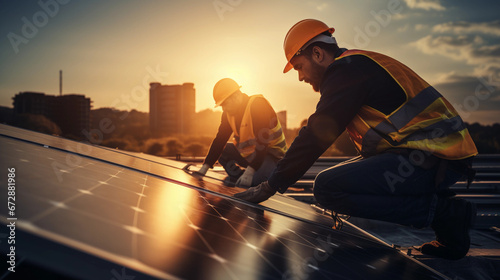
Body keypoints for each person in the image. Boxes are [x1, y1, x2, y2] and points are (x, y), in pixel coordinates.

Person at [234, 19, 478, 260]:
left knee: (328, 187)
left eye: (299, 66)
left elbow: (316, 134)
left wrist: (271, 185)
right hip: (426, 157)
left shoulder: (346, 70)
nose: (300, 77)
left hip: (433, 158)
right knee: (338, 177)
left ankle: (444, 214)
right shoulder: (355, 65)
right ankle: (448, 223)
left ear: (317, 54)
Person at [193, 78, 287, 188]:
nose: (224, 108)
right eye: (221, 105)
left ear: (236, 96)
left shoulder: (258, 105)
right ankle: (239, 177)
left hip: (272, 157)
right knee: (223, 151)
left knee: (255, 184)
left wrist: (250, 172)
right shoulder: (228, 113)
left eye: (225, 103)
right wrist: (204, 168)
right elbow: (220, 140)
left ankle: (250, 177)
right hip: (252, 156)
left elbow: (263, 144)